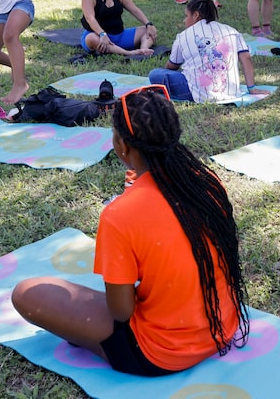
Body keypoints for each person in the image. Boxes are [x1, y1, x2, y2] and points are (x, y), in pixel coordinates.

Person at [12, 86, 249, 375]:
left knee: (27, 293)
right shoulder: (208, 182)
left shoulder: (119, 214)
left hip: (159, 353)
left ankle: (93, 343)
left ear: (121, 145)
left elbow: (121, 311)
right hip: (222, 325)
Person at [148, 0, 268, 103]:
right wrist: (251, 87)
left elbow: (172, 66)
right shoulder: (231, 31)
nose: (184, 20)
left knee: (155, 74)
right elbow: (246, 58)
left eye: (186, 16)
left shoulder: (183, 36)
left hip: (194, 92)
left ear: (195, 15)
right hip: (231, 91)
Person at [80, 0, 157, 57]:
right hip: (98, 36)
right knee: (91, 38)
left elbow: (134, 10)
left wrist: (148, 24)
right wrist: (102, 34)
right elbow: (90, 18)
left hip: (119, 36)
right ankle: (128, 53)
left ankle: (144, 49)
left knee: (149, 30)